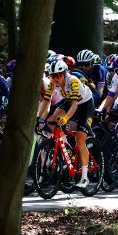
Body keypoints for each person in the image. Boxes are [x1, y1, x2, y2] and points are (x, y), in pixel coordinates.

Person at [38, 59, 95, 188]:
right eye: (52, 75)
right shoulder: (53, 82)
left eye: (57, 75)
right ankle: (66, 147)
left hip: (85, 105)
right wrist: (38, 118)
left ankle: (84, 177)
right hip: (69, 102)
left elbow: (75, 105)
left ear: (63, 74)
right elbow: (46, 100)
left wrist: (66, 118)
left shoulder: (73, 80)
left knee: (80, 139)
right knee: (51, 121)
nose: (55, 78)